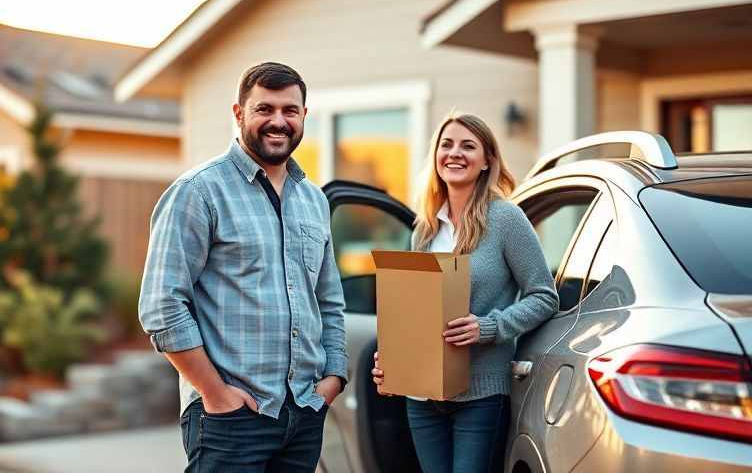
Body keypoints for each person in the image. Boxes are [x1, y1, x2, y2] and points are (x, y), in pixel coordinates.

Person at [139, 62, 348, 472]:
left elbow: (328, 301)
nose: (278, 121)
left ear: (304, 116)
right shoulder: (197, 192)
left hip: (304, 413)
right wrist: (214, 393)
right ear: (239, 114)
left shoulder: (314, 200)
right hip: (231, 419)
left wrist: (333, 379)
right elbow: (162, 305)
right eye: (264, 109)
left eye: (290, 110)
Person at [372, 112, 559, 473]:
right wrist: (394, 363)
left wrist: (489, 327)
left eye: (468, 146)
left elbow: (544, 296)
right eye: (447, 145)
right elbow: (415, 312)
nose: (455, 154)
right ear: (436, 155)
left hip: (481, 394)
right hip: (422, 397)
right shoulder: (424, 230)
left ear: (487, 159)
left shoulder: (505, 219)